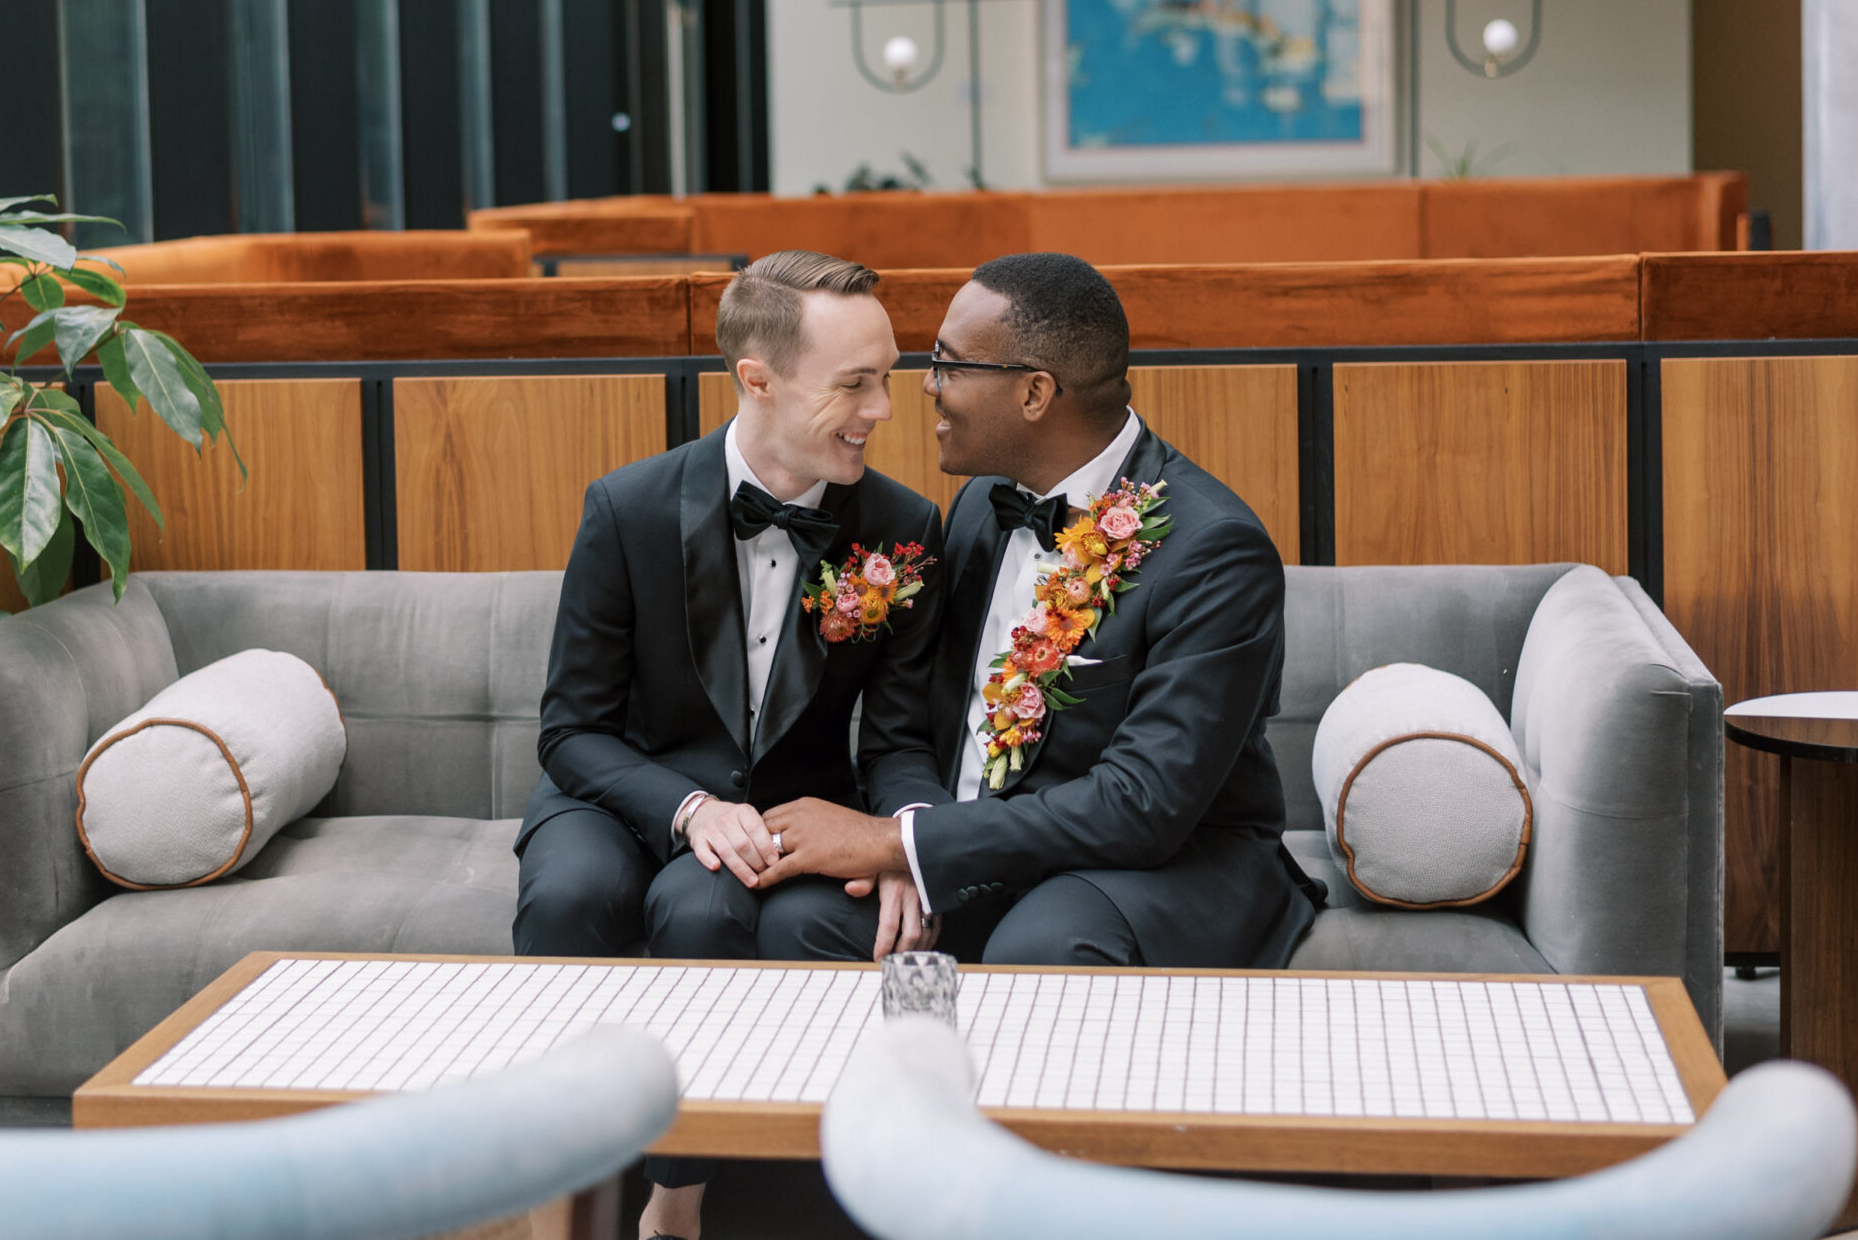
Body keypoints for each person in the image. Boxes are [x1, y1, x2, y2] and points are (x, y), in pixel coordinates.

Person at [513, 249, 946, 1240]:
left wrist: (904, 838)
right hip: (623, 788)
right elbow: (569, 727)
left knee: (700, 906)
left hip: (777, 815)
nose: (883, 406)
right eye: (855, 382)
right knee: (570, 894)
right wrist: (688, 806)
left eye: (887, 374)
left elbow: (899, 735)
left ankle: (676, 1203)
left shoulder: (901, 528)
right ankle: (552, 1202)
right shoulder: (626, 508)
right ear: (756, 378)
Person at [754, 251, 1321, 969]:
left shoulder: (1215, 552)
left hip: (1159, 862)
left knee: (1043, 944)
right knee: (800, 919)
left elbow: (1143, 802)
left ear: (1034, 393)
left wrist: (900, 846)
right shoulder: (974, 512)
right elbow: (905, 725)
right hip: (975, 849)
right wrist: (916, 837)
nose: (927, 387)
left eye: (949, 364)